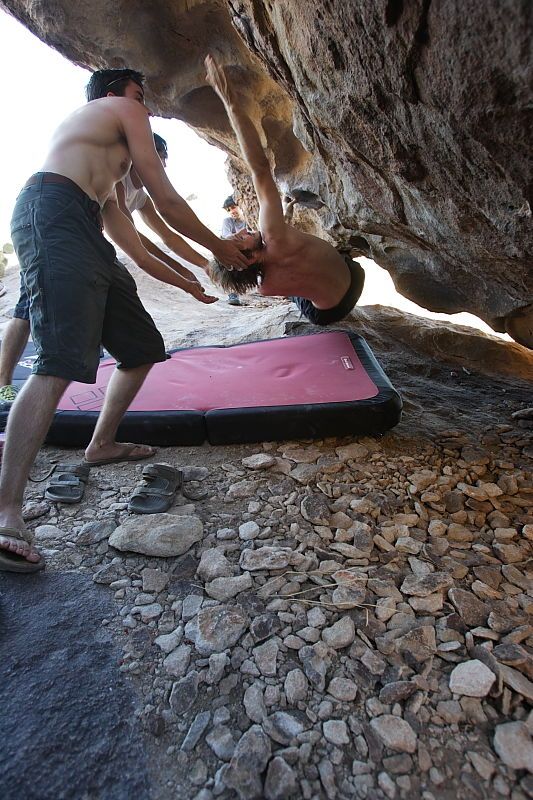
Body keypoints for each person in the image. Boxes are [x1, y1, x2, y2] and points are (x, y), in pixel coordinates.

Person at [0, 66, 250, 572]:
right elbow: (166, 196)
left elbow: (132, 245)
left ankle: (101, 444)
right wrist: (222, 248)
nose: (148, 105)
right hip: (51, 212)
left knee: (140, 349)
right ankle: (5, 510)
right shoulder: (118, 109)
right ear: (118, 94)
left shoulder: (108, 181)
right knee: (59, 361)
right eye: (142, 94)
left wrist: (188, 281)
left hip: (85, 228)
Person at [0, 132, 209, 407]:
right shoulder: (117, 177)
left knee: (39, 302)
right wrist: (181, 278)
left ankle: (102, 441)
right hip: (58, 227)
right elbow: (135, 243)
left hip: (87, 241)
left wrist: (198, 266)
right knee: (28, 304)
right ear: (142, 154)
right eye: (160, 159)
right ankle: (4, 382)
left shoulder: (140, 196)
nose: (163, 167)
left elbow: (167, 237)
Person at [205, 55, 365, 325]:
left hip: (327, 314)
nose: (242, 230)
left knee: (298, 295)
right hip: (354, 279)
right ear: (251, 256)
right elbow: (259, 169)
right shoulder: (272, 232)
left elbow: (278, 257)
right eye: (239, 239)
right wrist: (230, 103)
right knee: (336, 260)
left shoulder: (266, 288)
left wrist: (222, 270)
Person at [220, 195, 247, 306]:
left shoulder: (249, 219)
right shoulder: (228, 221)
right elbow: (227, 238)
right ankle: (233, 293)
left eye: (233, 207)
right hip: (235, 250)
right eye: (229, 209)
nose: (232, 211)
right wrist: (241, 234)